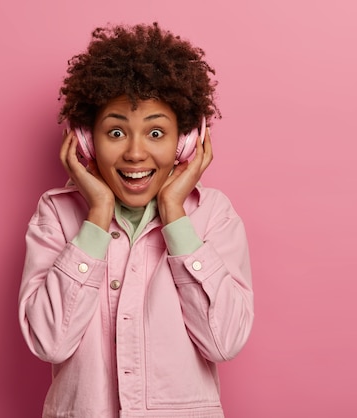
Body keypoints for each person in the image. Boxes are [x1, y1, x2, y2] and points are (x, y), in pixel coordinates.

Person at [18, 22, 254, 418]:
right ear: (87, 140)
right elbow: (49, 343)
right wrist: (96, 217)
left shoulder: (214, 216)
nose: (135, 153)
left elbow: (224, 341)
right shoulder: (57, 215)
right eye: (115, 132)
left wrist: (176, 216)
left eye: (156, 132)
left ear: (185, 142)